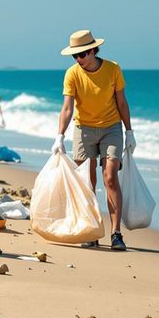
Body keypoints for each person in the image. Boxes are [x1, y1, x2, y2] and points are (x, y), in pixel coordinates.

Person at [52, 30, 135, 251]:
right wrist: (59, 135)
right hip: (83, 129)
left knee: (109, 178)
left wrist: (129, 131)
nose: (78, 59)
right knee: (86, 183)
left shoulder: (112, 69)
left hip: (111, 128)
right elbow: (67, 107)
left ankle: (116, 234)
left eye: (82, 54)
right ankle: (91, 229)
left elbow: (122, 102)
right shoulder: (72, 74)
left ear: (93, 50)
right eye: (75, 56)